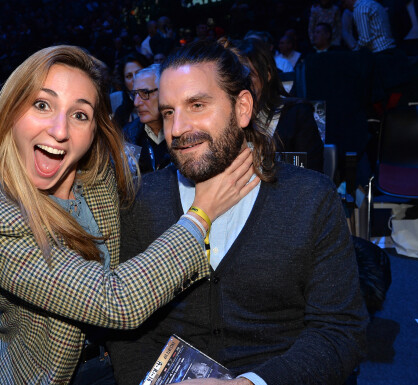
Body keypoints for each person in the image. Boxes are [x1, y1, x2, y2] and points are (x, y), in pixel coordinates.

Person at [0, 45, 258, 384]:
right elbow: (117, 300)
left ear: (94, 128)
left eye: (79, 114)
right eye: (42, 105)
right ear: (10, 111)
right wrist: (202, 214)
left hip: (117, 365)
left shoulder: (97, 180)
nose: (59, 130)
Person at [107, 40, 368, 385]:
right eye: (168, 112)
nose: (178, 129)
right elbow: (127, 333)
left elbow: (339, 331)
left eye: (197, 105)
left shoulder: (309, 198)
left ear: (242, 107)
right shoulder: (142, 200)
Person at [231, 38, 324, 172]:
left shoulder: (296, 113)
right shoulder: (229, 116)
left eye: (248, 74)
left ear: (267, 75)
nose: (242, 82)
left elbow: (312, 171)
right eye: (236, 76)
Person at [123, 64, 171, 174]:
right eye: (134, 94)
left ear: (165, 92)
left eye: (145, 93)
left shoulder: (182, 129)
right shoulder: (128, 136)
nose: (136, 102)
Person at [109, 52, 151, 130]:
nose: (135, 79)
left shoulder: (162, 102)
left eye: (138, 73)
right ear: (124, 82)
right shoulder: (121, 115)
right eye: (129, 76)